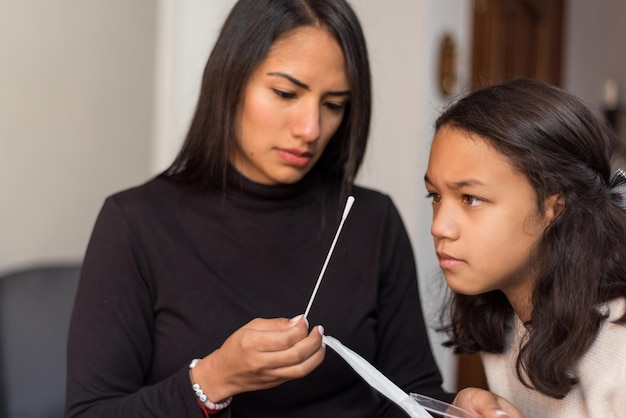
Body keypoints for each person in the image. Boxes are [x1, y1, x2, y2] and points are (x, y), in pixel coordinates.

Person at [65, 1, 518, 417]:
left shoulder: (369, 220)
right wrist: (214, 378)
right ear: (231, 80)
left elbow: (406, 392)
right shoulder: (136, 223)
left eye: (334, 105)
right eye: (285, 93)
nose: (310, 128)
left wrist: (456, 408)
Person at [425, 78, 626, 417]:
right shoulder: (504, 315)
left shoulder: (617, 352)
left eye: (470, 198)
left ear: (555, 208)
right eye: (435, 196)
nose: (438, 226)